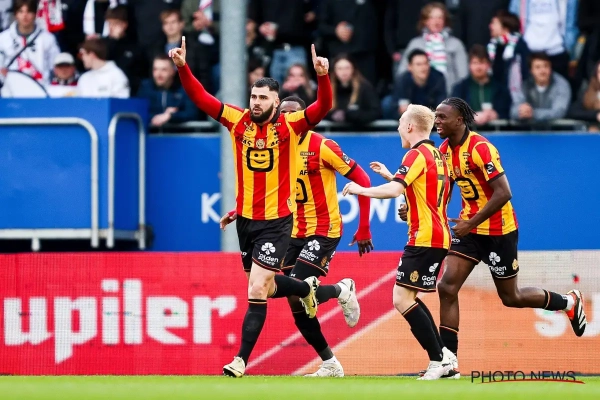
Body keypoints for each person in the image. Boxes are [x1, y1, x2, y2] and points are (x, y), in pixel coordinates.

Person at [170, 38, 333, 378]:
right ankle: (316, 290)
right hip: (246, 222)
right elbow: (201, 98)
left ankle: (240, 360)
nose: (256, 103)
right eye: (253, 97)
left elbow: (322, 108)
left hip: (277, 222)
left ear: (276, 102)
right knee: (268, 287)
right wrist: (183, 68)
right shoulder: (238, 120)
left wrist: (322, 76)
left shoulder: (290, 125)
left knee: (256, 288)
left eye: (263, 98)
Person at [406, 97, 587, 378]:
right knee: (447, 287)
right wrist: (415, 207)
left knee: (511, 297)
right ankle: (448, 362)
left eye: (442, 117)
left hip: (499, 231)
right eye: (435, 117)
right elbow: (444, 190)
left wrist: (471, 222)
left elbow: (504, 192)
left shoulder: (480, 148)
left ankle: (568, 302)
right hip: (469, 231)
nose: (436, 122)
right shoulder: (443, 151)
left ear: (459, 120)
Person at [220, 96, 374, 377]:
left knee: (297, 287)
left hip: (323, 228)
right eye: (283, 113)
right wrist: (237, 211)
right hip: (290, 229)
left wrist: (364, 226)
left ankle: (342, 290)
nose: (288, 118)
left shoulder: (322, 146)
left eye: (294, 113)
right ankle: (330, 362)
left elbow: (362, 179)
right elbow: (265, 187)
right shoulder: (276, 146)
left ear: (305, 118)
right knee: (293, 299)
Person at [344, 104, 453, 380]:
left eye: (400, 122)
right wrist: (390, 176)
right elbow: (424, 190)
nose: (397, 128)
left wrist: (361, 189)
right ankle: (445, 358)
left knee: (401, 298)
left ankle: (438, 360)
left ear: (410, 127)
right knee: (408, 297)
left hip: (424, 236)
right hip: (438, 235)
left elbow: (395, 191)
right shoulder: (437, 155)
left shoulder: (415, 154)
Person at [397, 2, 468, 95]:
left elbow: (463, 76)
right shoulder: (415, 44)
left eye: (440, 18)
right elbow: (402, 73)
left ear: (445, 21)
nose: (436, 22)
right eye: (432, 18)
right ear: (425, 21)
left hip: (449, 94)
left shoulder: (455, 44)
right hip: (419, 95)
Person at [0, 0, 60, 86]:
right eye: (21, 11)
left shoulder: (48, 38)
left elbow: (55, 66)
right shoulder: (3, 38)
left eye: (29, 11)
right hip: (11, 89)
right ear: (15, 14)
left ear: (35, 14)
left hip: (41, 88)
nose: (25, 15)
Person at [451, 45, 511, 125]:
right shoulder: (460, 88)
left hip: (495, 130)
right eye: (475, 63)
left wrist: (497, 115)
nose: (478, 67)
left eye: (482, 62)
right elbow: (453, 113)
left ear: (488, 65)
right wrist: (471, 117)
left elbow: (508, 112)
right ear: (469, 65)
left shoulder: (500, 89)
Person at [383, 49, 446, 120]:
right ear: (410, 67)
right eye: (418, 64)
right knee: (387, 103)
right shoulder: (403, 80)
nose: (423, 68)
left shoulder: (438, 78)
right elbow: (400, 106)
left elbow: (440, 105)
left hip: (431, 117)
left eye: (426, 63)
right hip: (409, 119)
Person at [137, 54, 198, 127]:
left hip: (177, 132)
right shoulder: (146, 88)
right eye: (155, 69)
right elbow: (138, 112)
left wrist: (171, 116)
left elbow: (192, 113)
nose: (159, 74)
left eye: (164, 70)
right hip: (151, 132)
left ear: (172, 71)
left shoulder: (183, 89)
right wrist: (160, 117)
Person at [510, 52, 571, 122]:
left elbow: (559, 112)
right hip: (529, 128)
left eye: (546, 66)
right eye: (538, 67)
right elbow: (513, 110)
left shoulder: (561, 85)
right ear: (531, 71)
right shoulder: (525, 85)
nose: (542, 71)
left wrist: (533, 114)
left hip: (555, 128)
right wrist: (520, 112)